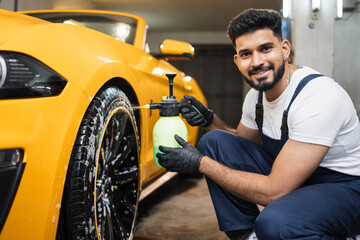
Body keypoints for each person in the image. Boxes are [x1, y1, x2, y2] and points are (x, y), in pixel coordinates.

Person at [156, 8, 360, 240]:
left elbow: (276, 191)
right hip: (295, 175)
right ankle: (247, 236)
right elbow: (238, 144)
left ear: (284, 49)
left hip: (345, 188)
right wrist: (209, 120)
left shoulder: (317, 96)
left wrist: (201, 164)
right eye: (246, 54)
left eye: (265, 49)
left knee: (276, 224)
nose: (257, 62)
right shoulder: (256, 97)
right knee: (214, 142)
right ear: (237, 60)